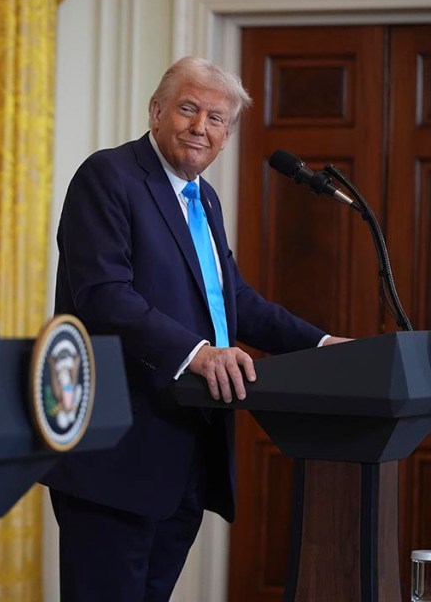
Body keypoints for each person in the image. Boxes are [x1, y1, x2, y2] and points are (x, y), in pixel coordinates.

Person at [42, 57, 351, 601]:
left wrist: (324, 346)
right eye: (188, 109)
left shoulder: (203, 198)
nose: (200, 127)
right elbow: (103, 297)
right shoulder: (108, 176)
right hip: (117, 453)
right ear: (156, 112)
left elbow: (234, 303)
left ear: (227, 136)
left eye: (216, 118)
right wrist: (198, 352)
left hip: (187, 454)